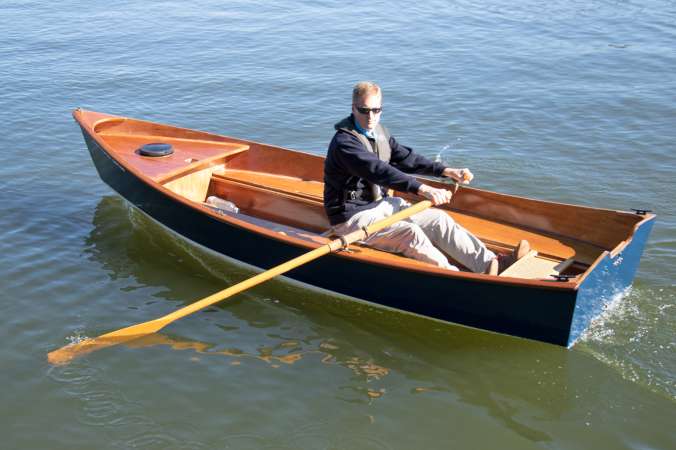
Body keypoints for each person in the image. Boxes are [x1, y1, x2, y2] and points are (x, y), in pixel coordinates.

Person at [323, 81, 529, 275]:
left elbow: (405, 158)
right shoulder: (345, 143)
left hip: (382, 205)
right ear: (353, 108)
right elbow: (378, 170)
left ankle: (491, 265)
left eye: (376, 110)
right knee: (410, 233)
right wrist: (423, 189)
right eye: (364, 110)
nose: (371, 117)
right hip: (352, 218)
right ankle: (455, 278)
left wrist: (445, 171)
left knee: (439, 219)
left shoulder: (379, 134)